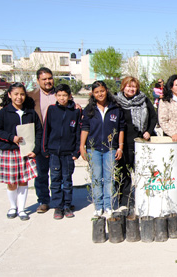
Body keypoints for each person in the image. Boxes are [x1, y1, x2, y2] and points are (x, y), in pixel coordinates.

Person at [0, 83, 42, 221]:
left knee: (23, 181)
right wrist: (11, 138)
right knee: (12, 181)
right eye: (15, 94)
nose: (19, 97)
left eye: (21, 94)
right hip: (9, 151)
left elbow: (39, 131)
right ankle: (13, 206)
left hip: (26, 152)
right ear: (10, 95)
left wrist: (35, 149)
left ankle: (22, 209)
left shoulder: (30, 112)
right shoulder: (3, 112)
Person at [80, 81, 125, 217]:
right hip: (94, 149)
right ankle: (98, 206)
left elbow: (121, 128)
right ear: (93, 94)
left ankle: (108, 205)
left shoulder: (116, 108)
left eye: (102, 91)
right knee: (96, 178)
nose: (100, 94)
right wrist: (82, 146)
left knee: (109, 178)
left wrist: (120, 147)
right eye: (96, 92)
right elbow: (85, 128)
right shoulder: (89, 109)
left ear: (106, 91)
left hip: (110, 149)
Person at [114, 76, 158, 211]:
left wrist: (149, 131)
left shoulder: (143, 100)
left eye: (134, 86)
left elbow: (153, 117)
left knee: (141, 171)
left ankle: (143, 197)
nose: (131, 89)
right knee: (123, 172)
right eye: (128, 86)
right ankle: (125, 199)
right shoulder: (116, 101)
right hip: (122, 142)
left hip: (140, 141)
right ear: (123, 87)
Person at [42, 84, 82, 220]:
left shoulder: (75, 112)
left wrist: (76, 152)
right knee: (55, 179)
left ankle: (67, 205)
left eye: (64, 95)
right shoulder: (52, 109)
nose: (62, 98)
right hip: (54, 153)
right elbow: (46, 130)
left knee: (67, 180)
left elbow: (77, 133)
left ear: (70, 96)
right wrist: (45, 149)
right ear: (56, 96)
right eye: (59, 95)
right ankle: (57, 206)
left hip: (68, 153)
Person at [27, 67, 56, 214]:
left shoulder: (61, 94)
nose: (47, 81)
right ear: (38, 80)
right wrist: (2, 107)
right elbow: (14, 103)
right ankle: (44, 200)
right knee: (41, 173)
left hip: (57, 140)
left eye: (49, 78)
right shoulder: (30, 97)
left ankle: (59, 200)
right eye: (44, 79)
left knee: (58, 173)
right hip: (39, 140)